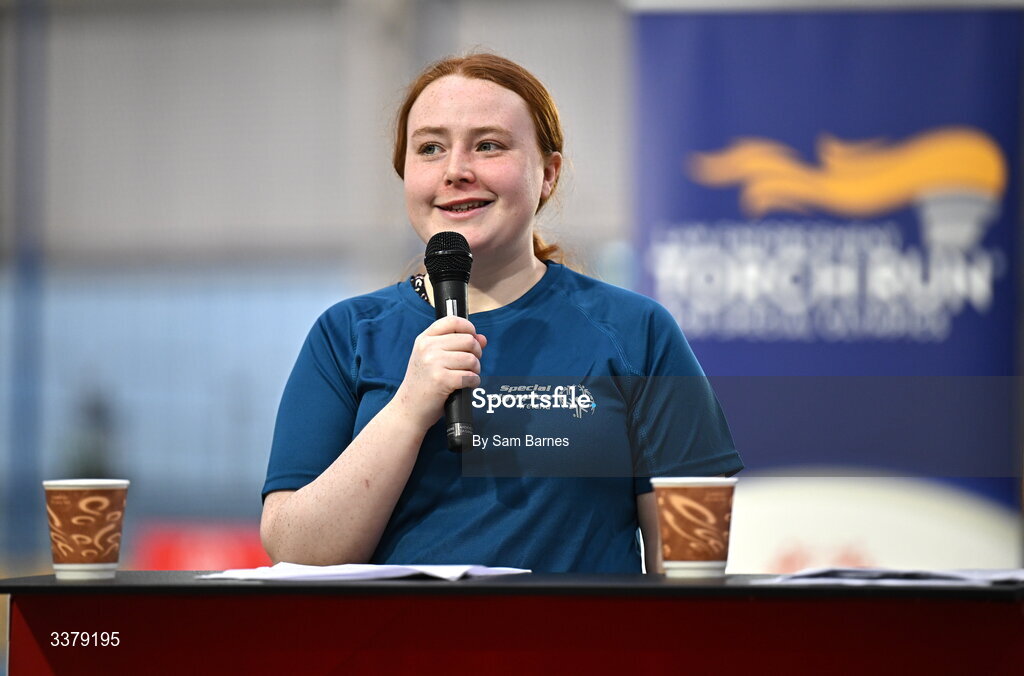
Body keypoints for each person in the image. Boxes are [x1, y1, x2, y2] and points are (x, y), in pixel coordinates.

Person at [260, 53, 742, 573]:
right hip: (398, 653)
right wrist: (407, 409)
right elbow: (294, 551)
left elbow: (697, 561)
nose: (456, 171)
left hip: (580, 652)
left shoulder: (637, 331)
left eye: (488, 145)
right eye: (430, 148)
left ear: (548, 174)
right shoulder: (346, 334)